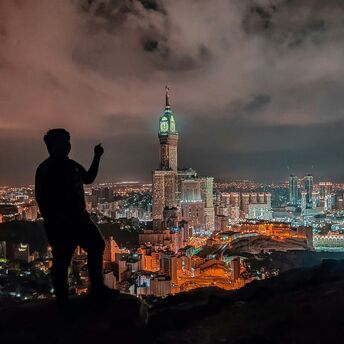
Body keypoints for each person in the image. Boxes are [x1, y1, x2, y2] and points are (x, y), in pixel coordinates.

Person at [35, 128, 115, 304]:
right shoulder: (46, 169)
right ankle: (62, 299)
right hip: (62, 224)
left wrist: (97, 156)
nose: (67, 145)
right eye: (63, 142)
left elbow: (88, 178)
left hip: (80, 219)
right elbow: (42, 199)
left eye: (68, 141)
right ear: (51, 146)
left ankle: (97, 288)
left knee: (97, 246)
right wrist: (55, 221)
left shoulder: (71, 165)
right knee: (62, 261)